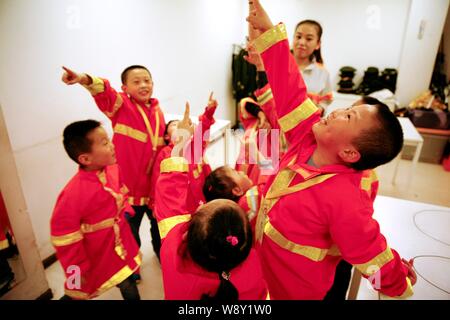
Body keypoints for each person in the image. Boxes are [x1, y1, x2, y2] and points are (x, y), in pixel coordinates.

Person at [246, 0, 416, 299]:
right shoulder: (306, 136)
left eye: (349, 116)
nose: (336, 112)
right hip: (264, 266)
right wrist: (269, 32)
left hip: (297, 287)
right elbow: (289, 89)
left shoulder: (346, 199)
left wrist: (398, 283)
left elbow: (370, 254)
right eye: (346, 109)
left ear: (350, 153)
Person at [154, 104, 267, 300]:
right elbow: (270, 177)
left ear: (188, 235)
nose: (240, 170)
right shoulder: (256, 267)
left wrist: (181, 143)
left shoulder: (175, 257)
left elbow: (169, 198)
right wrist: (264, 144)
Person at [62, 66, 165, 278]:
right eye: (136, 82)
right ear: (124, 88)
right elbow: (103, 90)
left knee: (158, 225)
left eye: (147, 80)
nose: (144, 85)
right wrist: (83, 78)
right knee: (129, 231)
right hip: (128, 187)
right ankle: (131, 267)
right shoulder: (121, 105)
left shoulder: (157, 110)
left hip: (154, 186)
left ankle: (161, 253)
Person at [50, 120, 141, 300]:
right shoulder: (72, 195)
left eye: (109, 139)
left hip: (118, 247)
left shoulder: (114, 169)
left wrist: (126, 210)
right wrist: (77, 270)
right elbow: (65, 241)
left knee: (127, 279)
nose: (112, 145)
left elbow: (121, 193)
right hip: (91, 256)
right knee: (76, 290)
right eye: (105, 143)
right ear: (85, 158)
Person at [150, 93, 217, 214]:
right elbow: (157, 179)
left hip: (202, 201)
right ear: (166, 136)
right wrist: (155, 202)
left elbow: (203, 130)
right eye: (175, 125)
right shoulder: (165, 153)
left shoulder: (192, 146)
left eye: (183, 124)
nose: (181, 125)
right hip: (182, 204)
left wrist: (209, 113)